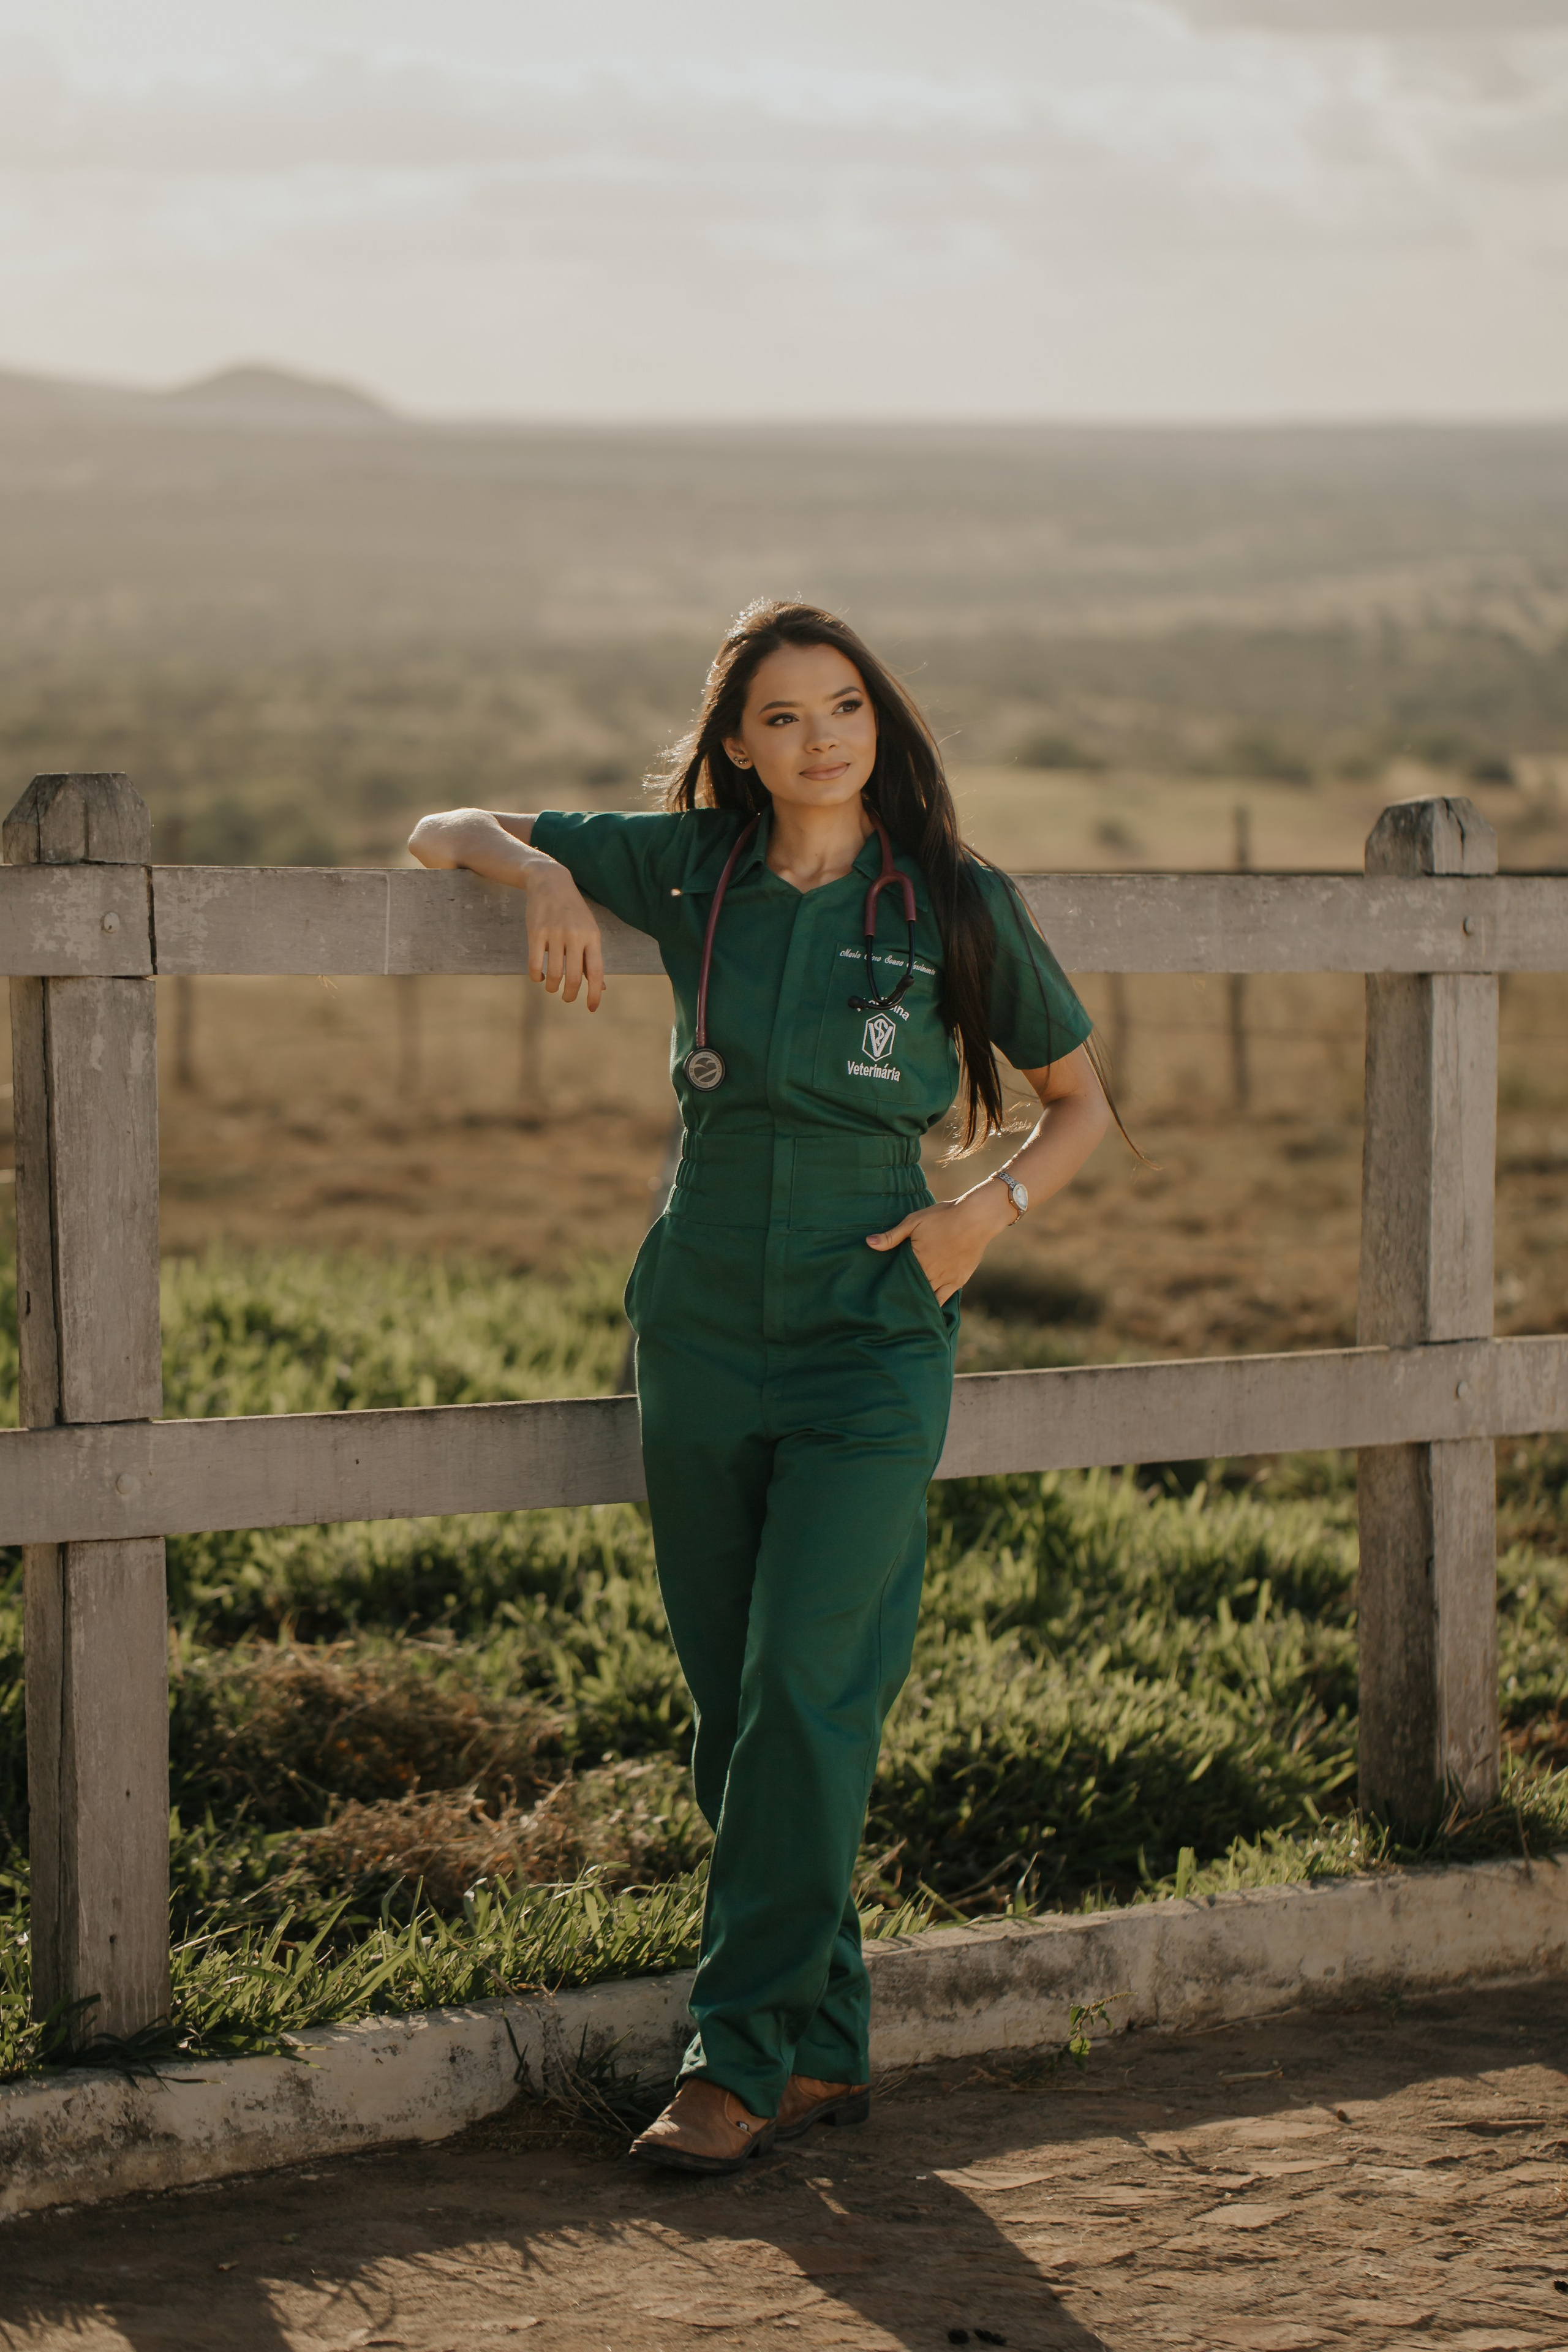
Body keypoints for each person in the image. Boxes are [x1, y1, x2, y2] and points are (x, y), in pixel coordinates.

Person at [409, 600, 1110, 2174]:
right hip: (703, 1315)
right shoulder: (689, 869)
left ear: (879, 725)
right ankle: (825, 2049)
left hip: (872, 1325)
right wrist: (533, 873)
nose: (819, 739)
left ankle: (730, 2063)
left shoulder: (947, 900)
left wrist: (974, 1218)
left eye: (844, 707)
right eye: (783, 716)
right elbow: (436, 824)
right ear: (736, 742)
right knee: (738, 1710)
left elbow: (1074, 1100)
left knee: (807, 1681)